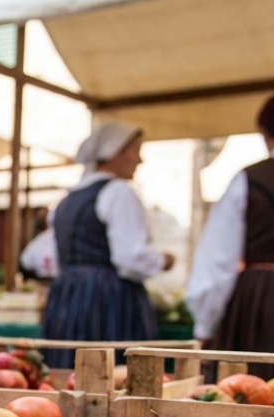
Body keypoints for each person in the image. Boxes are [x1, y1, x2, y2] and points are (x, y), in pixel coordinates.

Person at [187, 91, 274, 397]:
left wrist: (205, 327)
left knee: (259, 394)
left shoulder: (247, 179)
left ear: (264, 133)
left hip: (262, 303)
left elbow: (218, 260)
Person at [39, 121, 175, 367]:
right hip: (107, 299)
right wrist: (162, 260)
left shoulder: (66, 201)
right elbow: (130, 258)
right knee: (112, 373)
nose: (139, 160)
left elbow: (57, 261)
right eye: (135, 150)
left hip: (66, 296)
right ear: (114, 153)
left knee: (69, 368)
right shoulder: (118, 192)